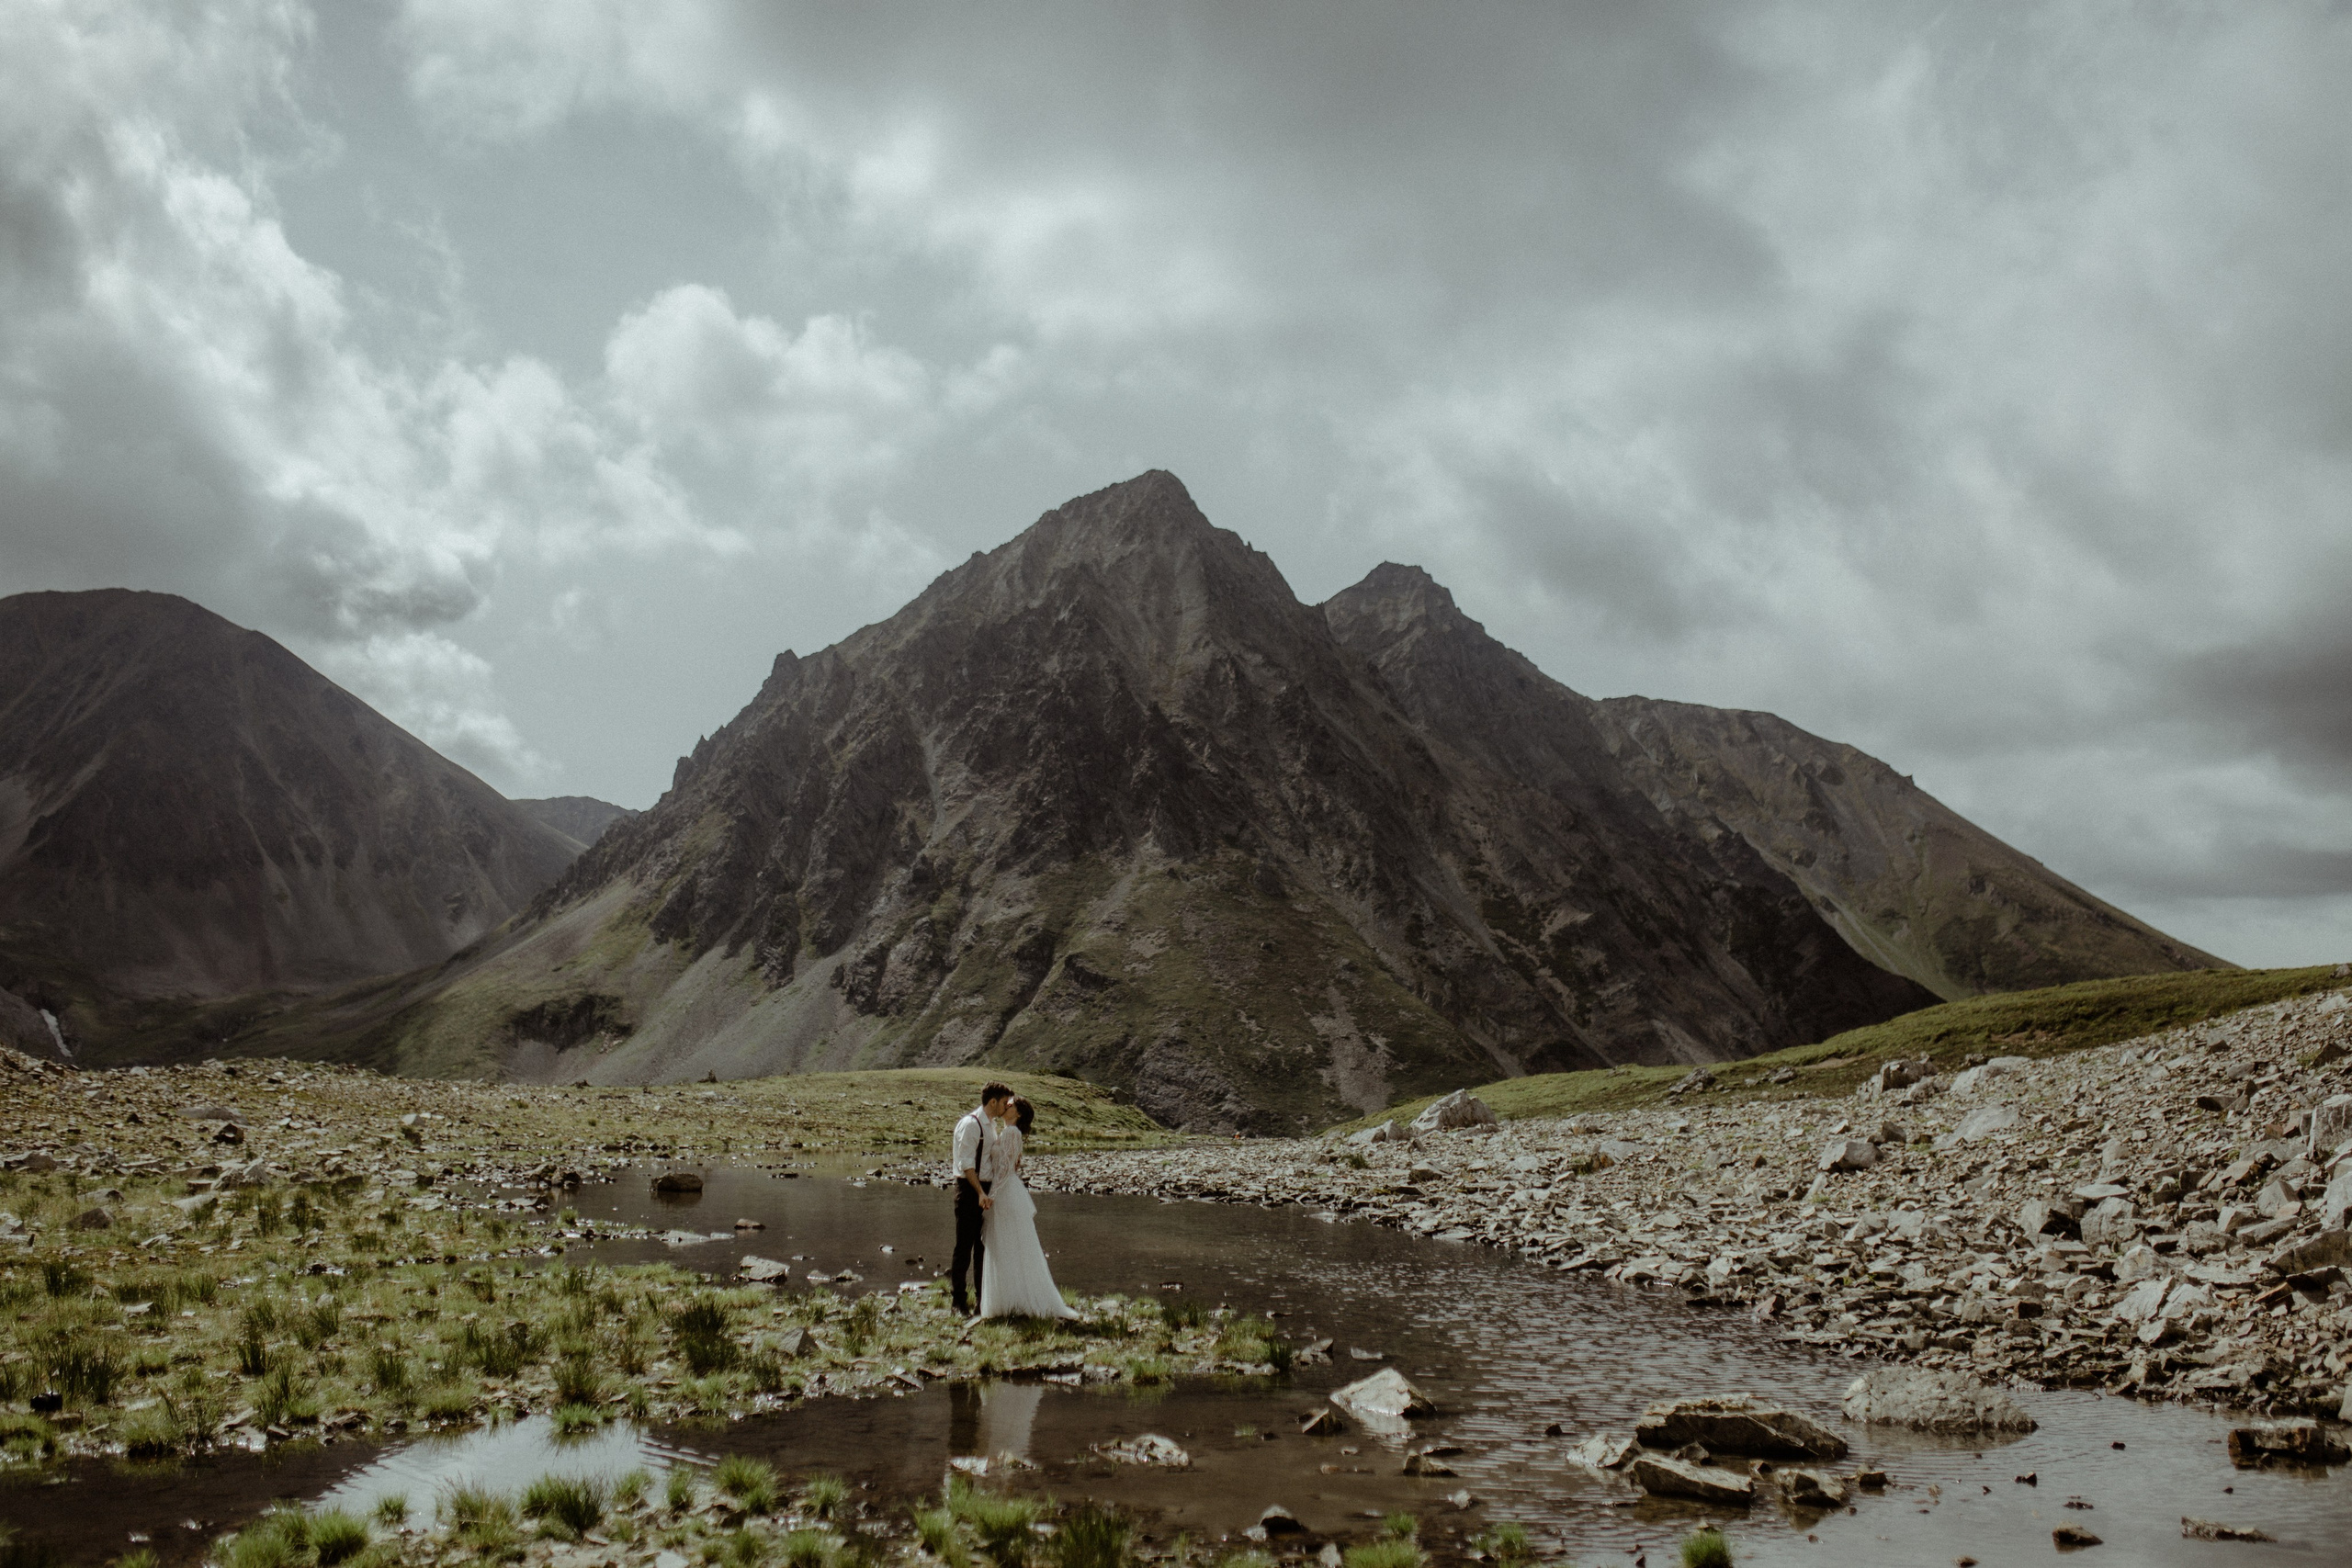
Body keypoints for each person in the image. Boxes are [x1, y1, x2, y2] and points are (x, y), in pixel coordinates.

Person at [979, 1096, 1079, 1320]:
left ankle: (1013, 1301)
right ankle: (1010, 1300)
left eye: (1011, 1105)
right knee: (1008, 1244)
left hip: (1005, 1192)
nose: (1006, 1106)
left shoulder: (1011, 1133)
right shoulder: (1007, 1132)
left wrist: (991, 1196)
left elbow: (1006, 1168)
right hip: (1005, 1190)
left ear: (1018, 1113)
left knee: (1008, 1243)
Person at [950, 1083, 1014, 1316]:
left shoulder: (991, 1126)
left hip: (984, 1190)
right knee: (964, 1247)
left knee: (982, 1247)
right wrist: (980, 1193)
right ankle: (958, 1302)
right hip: (970, 1190)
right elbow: (966, 1164)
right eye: (1004, 1102)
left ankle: (981, 1301)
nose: (1006, 1106)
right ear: (993, 1102)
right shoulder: (971, 1124)